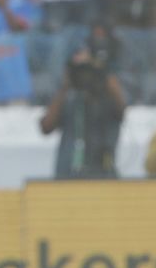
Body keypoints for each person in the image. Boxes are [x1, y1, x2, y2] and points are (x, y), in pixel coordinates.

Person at [39, 45, 127, 180]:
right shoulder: (68, 98)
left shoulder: (108, 98)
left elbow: (121, 111)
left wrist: (101, 71)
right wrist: (66, 85)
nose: (85, 75)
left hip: (102, 175)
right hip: (67, 176)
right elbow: (46, 126)